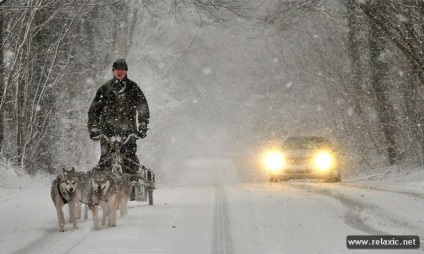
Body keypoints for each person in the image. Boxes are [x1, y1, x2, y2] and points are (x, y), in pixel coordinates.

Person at [87, 59, 150, 175]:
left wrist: (143, 124)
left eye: (123, 70)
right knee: (105, 161)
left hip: (128, 132)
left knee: (129, 160)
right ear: (113, 72)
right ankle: (103, 187)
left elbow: (142, 107)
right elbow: (94, 110)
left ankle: (131, 184)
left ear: (126, 71)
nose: (120, 72)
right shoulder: (104, 89)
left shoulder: (133, 88)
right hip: (107, 132)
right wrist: (94, 127)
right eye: (118, 70)